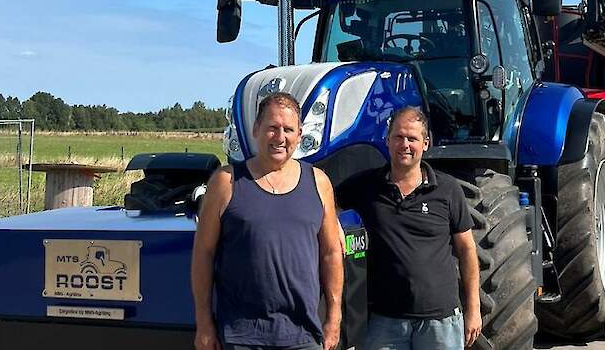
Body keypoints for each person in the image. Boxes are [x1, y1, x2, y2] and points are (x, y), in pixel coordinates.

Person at [191, 92, 343, 350]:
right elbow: (203, 254)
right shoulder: (226, 183)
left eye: (288, 129)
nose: (280, 137)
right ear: (256, 129)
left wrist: (334, 317)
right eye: (272, 127)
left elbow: (330, 254)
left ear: (299, 134)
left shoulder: (318, 183)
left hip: (303, 334)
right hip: (242, 335)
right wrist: (204, 323)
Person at [337, 106, 481, 349]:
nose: (405, 144)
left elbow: (467, 250)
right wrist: (335, 228)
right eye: (398, 137)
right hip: (384, 321)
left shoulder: (448, 189)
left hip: (440, 321)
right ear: (388, 140)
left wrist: (473, 309)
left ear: (425, 143)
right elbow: (328, 199)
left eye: (412, 138)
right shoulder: (366, 186)